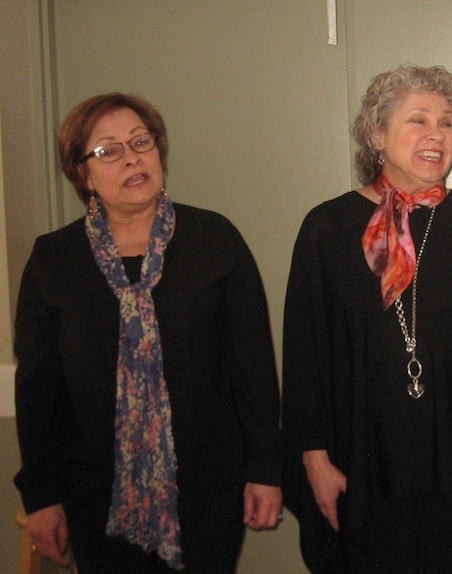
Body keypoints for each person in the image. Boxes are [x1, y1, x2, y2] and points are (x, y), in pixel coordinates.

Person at [282, 65, 452, 573]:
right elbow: (302, 353)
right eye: (418, 120)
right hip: (357, 459)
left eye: (446, 123)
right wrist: (313, 456)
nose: (436, 136)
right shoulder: (325, 228)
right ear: (377, 134)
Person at [14, 93, 283, 573]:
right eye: (108, 150)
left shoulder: (215, 241)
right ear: (82, 174)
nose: (132, 157)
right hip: (95, 496)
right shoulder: (54, 261)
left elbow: (253, 369)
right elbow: (39, 390)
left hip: (207, 493)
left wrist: (264, 469)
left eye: (141, 141)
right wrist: (41, 496)